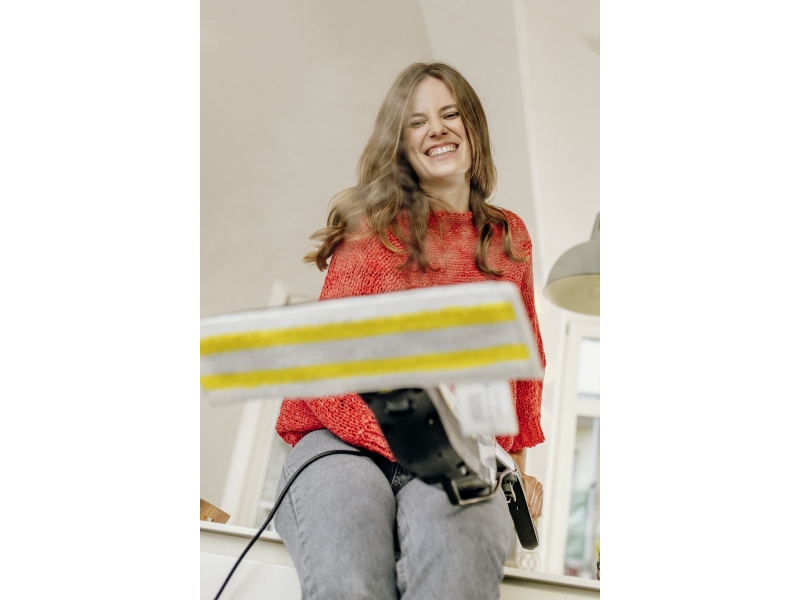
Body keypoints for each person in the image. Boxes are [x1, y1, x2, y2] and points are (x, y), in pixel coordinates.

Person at [274, 62, 546, 600]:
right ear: (401, 145)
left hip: (451, 459)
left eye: (450, 114)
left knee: (458, 553)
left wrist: (513, 472)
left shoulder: (506, 238)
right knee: (349, 577)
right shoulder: (371, 232)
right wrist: (421, 444)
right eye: (417, 122)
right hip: (342, 447)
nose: (437, 129)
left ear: (473, 126)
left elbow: (519, 373)